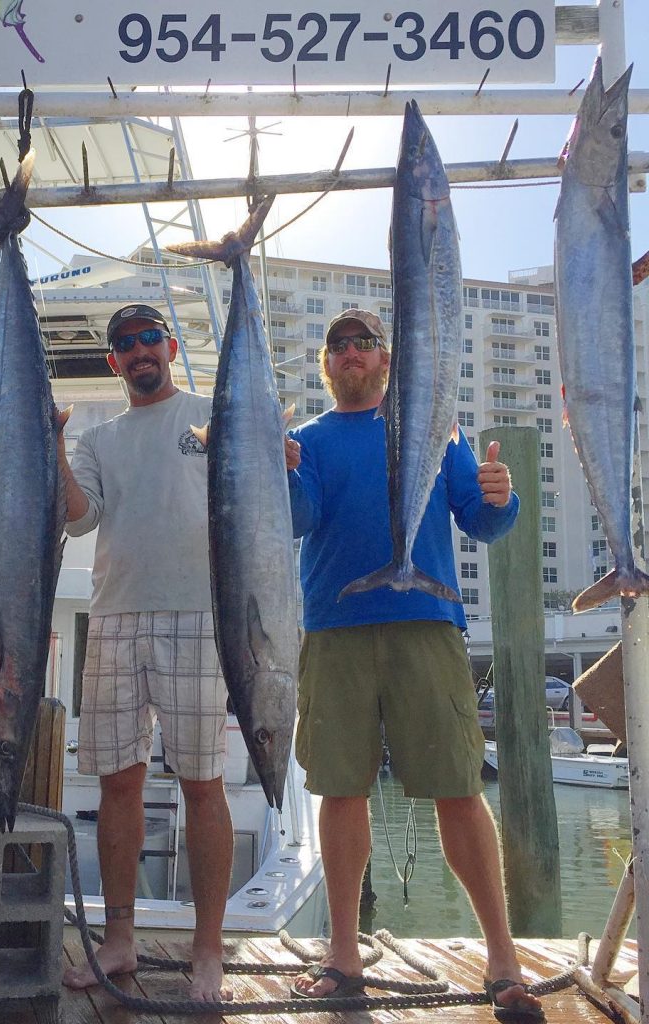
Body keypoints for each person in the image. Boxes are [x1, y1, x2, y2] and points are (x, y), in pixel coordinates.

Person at [286, 308, 543, 1021]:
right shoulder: (305, 440)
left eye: (363, 342)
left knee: (458, 787)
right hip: (335, 628)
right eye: (336, 344)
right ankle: (343, 954)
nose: (350, 353)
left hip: (427, 623)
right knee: (341, 789)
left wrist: (502, 495)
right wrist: (280, 475)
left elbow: (482, 520)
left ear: (387, 358)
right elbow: (299, 519)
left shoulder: (437, 427)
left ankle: (502, 956)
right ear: (326, 364)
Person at [58, 303, 290, 1003]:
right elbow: (80, 517)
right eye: (124, 345)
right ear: (114, 363)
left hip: (204, 615)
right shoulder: (96, 440)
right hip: (116, 618)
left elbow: (266, 484)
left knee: (202, 784)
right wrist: (51, 446)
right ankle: (120, 937)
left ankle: (209, 946)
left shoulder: (213, 416)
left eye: (147, 339)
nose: (138, 352)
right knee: (118, 785)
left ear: (171, 344)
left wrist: (279, 456)